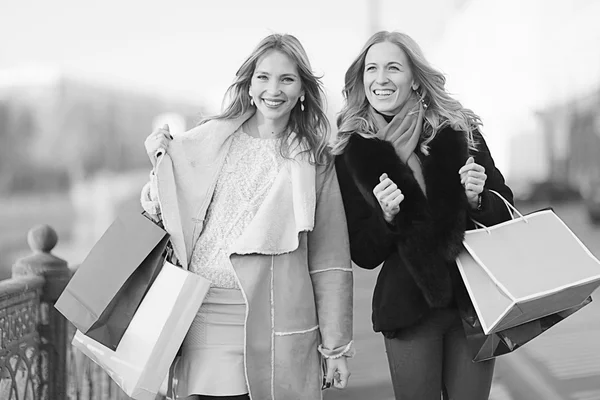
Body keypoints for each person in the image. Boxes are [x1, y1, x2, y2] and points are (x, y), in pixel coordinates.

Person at [141, 33, 353, 400]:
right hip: (203, 315)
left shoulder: (316, 161)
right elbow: (162, 211)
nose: (274, 89)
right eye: (263, 77)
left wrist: (335, 348)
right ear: (249, 84)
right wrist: (159, 166)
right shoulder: (206, 140)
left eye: (287, 79)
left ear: (302, 89)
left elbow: (330, 259)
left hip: (277, 320)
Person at [331, 30, 514, 400]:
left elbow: (506, 212)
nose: (380, 79)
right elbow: (363, 253)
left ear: (414, 78)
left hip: (473, 302)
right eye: (371, 69)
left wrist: (478, 199)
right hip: (408, 309)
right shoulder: (351, 150)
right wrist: (386, 216)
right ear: (361, 78)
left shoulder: (459, 131)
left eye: (393, 68)